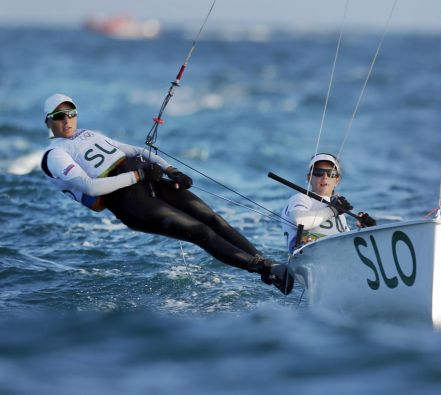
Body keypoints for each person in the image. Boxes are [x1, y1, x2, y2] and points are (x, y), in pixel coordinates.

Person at [40, 93, 293, 295]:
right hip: (130, 203)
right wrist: (138, 176)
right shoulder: (55, 154)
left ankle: (267, 264)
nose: (67, 119)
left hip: (150, 180)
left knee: (212, 218)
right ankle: (264, 269)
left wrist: (170, 169)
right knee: (200, 232)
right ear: (48, 121)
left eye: (71, 113)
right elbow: (90, 187)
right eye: (60, 115)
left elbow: (136, 150)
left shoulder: (89, 134)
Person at [281, 153, 376, 253]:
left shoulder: (339, 211)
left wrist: (366, 230)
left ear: (337, 180)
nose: (325, 177)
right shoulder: (300, 198)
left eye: (331, 173)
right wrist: (332, 210)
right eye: (318, 172)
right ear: (309, 178)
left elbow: (348, 245)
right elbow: (301, 220)